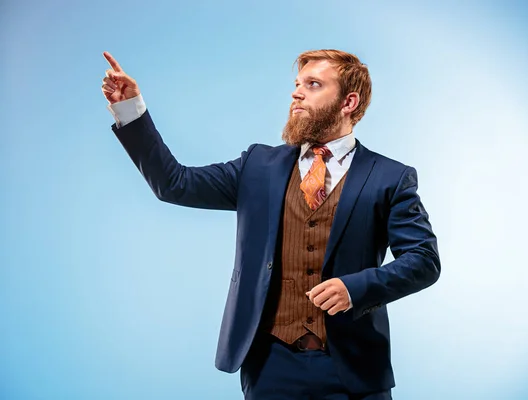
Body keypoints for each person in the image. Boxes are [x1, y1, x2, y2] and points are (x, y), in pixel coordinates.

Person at [101, 49, 441, 399]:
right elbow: (174, 183)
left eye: (313, 85)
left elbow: (423, 260)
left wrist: (357, 287)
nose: (297, 93)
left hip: (354, 369)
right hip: (270, 367)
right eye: (297, 84)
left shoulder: (390, 177)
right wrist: (131, 110)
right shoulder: (258, 166)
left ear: (348, 102)